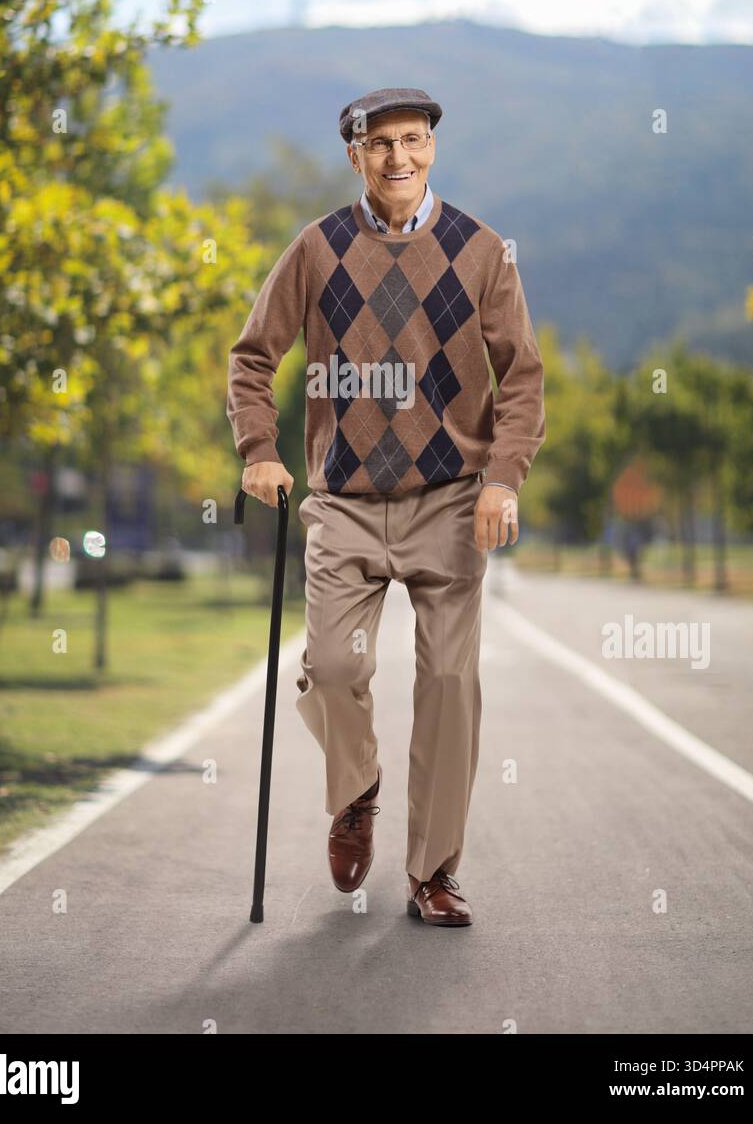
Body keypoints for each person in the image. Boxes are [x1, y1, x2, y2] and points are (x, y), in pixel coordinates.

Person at [226, 87, 545, 926]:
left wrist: (503, 478)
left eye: (413, 140)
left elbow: (523, 375)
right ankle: (356, 791)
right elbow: (252, 357)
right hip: (345, 501)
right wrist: (259, 452)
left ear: (433, 145)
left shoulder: (481, 251)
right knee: (332, 669)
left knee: (447, 681)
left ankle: (432, 873)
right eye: (380, 145)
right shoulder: (318, 249)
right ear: (354, 156)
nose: (398, 158)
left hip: (450, 501)